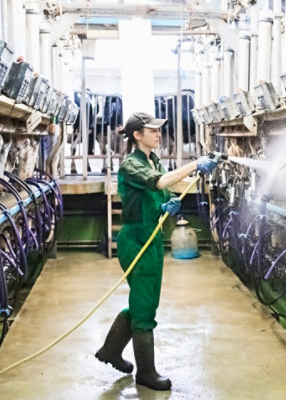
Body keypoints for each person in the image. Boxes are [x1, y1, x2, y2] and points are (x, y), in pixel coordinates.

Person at [94, 112, 218, 391]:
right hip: (137, 240)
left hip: (151, 237)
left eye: (159, 130)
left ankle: (110, 351)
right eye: (152, 130)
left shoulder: (153, 160)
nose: (158, 134)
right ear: (137, 135)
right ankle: (146, 374)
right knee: (145, 306)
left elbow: (157, 194)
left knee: (144, 301)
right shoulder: (132, 164)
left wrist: (165, 206)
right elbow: (159, 183)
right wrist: (195, 164)